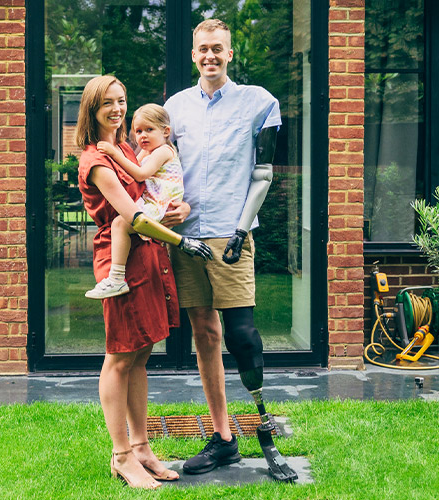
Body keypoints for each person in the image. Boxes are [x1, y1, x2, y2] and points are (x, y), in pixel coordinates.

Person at [163, 18, 285, 475]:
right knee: (204, 333)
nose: (210, 56)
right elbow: (165, 171)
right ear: (193, 55)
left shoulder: (259, 103)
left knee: (241, 337)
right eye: (202, 50)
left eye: (218, 49)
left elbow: (264, 173)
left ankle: (264, 425)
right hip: (187, 236)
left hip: (231, 234)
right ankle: (224, 438)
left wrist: (242, 227)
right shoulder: (174, 108)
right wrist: (166, 213)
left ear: (230, 53)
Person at [73, 75, 188, 490]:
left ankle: (141, 448)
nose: (117, 110)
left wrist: (178, 209)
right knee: (120, 355)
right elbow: (134, 217)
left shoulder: (126, 148)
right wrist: (181, 239)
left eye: (121, 101)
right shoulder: (97, 160)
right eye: (108, 103)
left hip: (147, 256)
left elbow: (154, 195)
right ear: (92, 109)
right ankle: (121, 455)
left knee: (141, 354)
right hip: (120, 261)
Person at [85, 103, 212, 300]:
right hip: (154, 199)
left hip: (161, 202)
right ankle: (117, 278)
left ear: (166, 131)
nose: (142, 136)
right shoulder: (147, 151)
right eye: (138, 131)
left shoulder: (163, 151)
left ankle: (117, 279)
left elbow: (140, 174)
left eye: (149, 130)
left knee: (120, 223)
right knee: (122, 222)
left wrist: (113, 153)